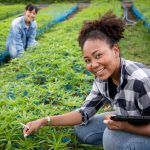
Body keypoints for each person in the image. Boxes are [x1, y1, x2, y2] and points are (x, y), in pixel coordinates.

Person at [23, 12, 150, 149]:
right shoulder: (102, 78)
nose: (94, 65)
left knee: (111, 136)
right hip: (128, 118)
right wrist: (44, 121)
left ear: (115, 50)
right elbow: (83, 113)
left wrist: (125, 126)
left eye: (98, 55)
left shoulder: (141, 80)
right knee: (83, 128)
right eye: (87, 60)